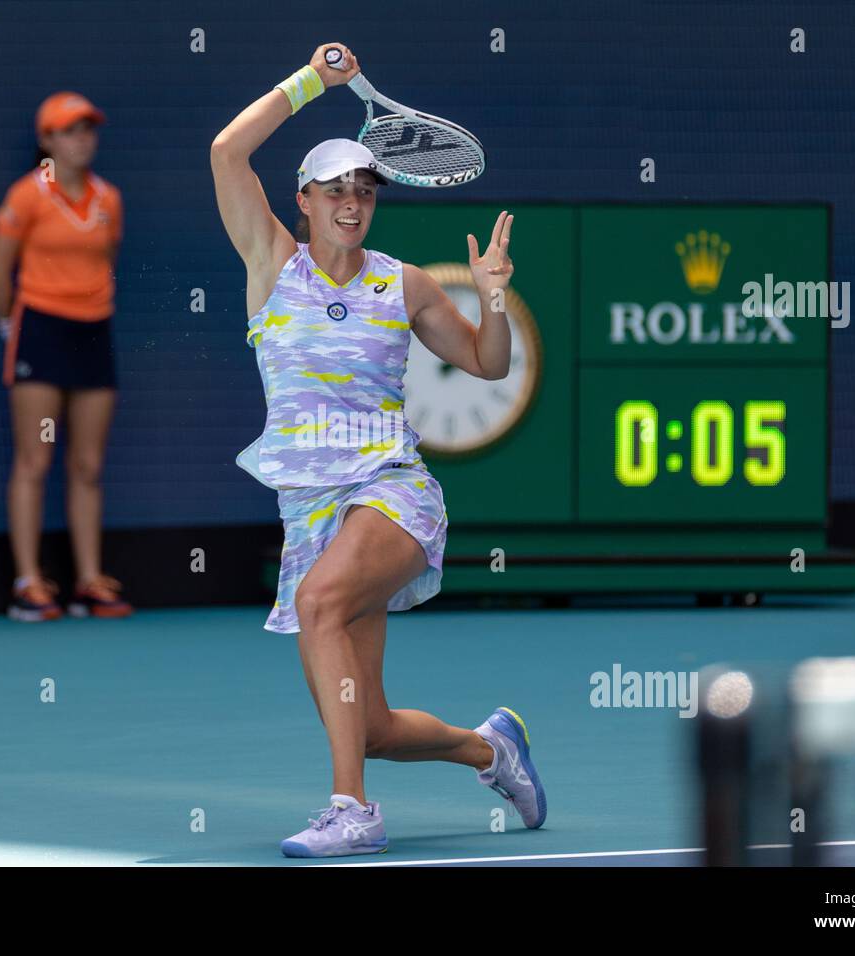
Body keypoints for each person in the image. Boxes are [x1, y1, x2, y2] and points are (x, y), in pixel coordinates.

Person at [210, 43, 546, 857]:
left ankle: (352, 812)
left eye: (364, 189)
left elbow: (488, 363)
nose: (352, 202)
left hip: (393, 490)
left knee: (322, 606)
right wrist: (309, 83)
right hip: (312, 512)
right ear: (303, 201)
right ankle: (490, 748)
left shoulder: (405, 284)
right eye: (335, 190)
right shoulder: (271, 266)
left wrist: (494, 298)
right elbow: (226, 150)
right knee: (365, 724)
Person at [0, 92, 133, 622]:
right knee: (35, 459)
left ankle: (89, 581)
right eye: (70, 130)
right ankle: (30, 583)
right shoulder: (25, 197)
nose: (82, 139)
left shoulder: (108, 199)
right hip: (40, 331)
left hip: (93, 333)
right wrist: (12, 329)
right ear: (46, 141)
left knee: (88, 465)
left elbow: (107, 260)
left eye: (88, 128)